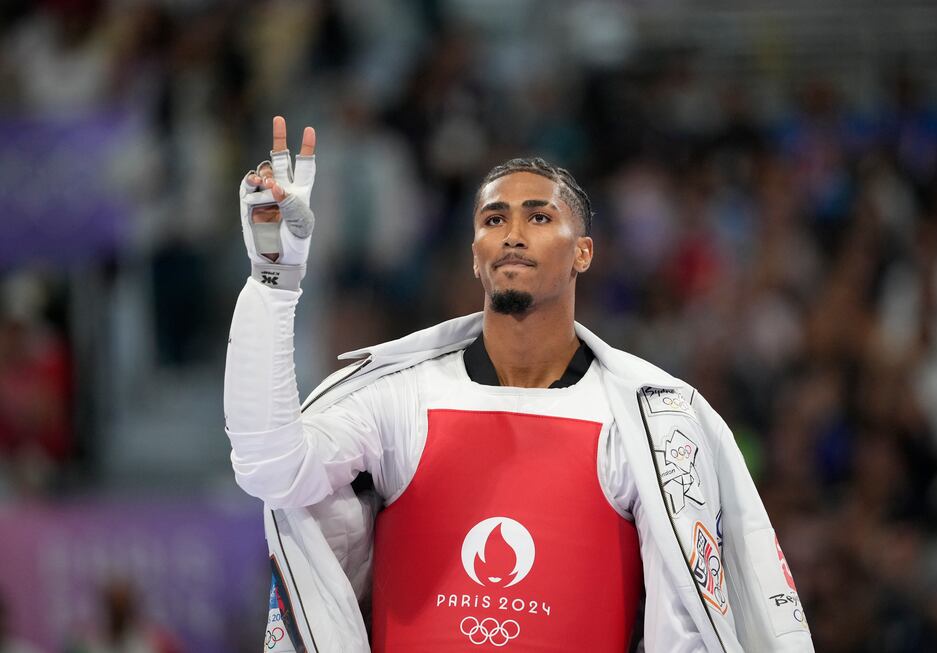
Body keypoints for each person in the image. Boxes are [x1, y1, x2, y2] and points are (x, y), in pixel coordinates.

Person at [225, 116, 815, 652]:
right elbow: (269, 468)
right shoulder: (400, 399)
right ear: (475, 254)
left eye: (538, 216)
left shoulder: (643, 424)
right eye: (493, 219)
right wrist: (275, 281)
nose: (512, 232)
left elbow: (684, 630)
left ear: (583, 252)